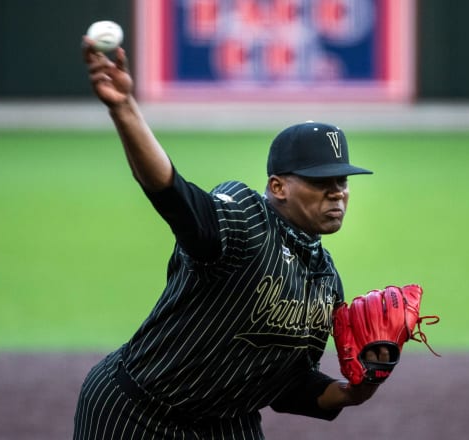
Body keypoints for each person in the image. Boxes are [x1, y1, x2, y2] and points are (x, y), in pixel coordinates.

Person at [74, 38, 390, 440]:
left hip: (227, 424)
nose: (338, 192)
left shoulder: (327, 282)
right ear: (278, 187)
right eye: (319, 181)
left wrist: (358, 391)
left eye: (342, 181)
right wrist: (123, 107)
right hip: (137, 412)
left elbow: (290, 386)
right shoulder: (242, 222)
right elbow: (172, 195)